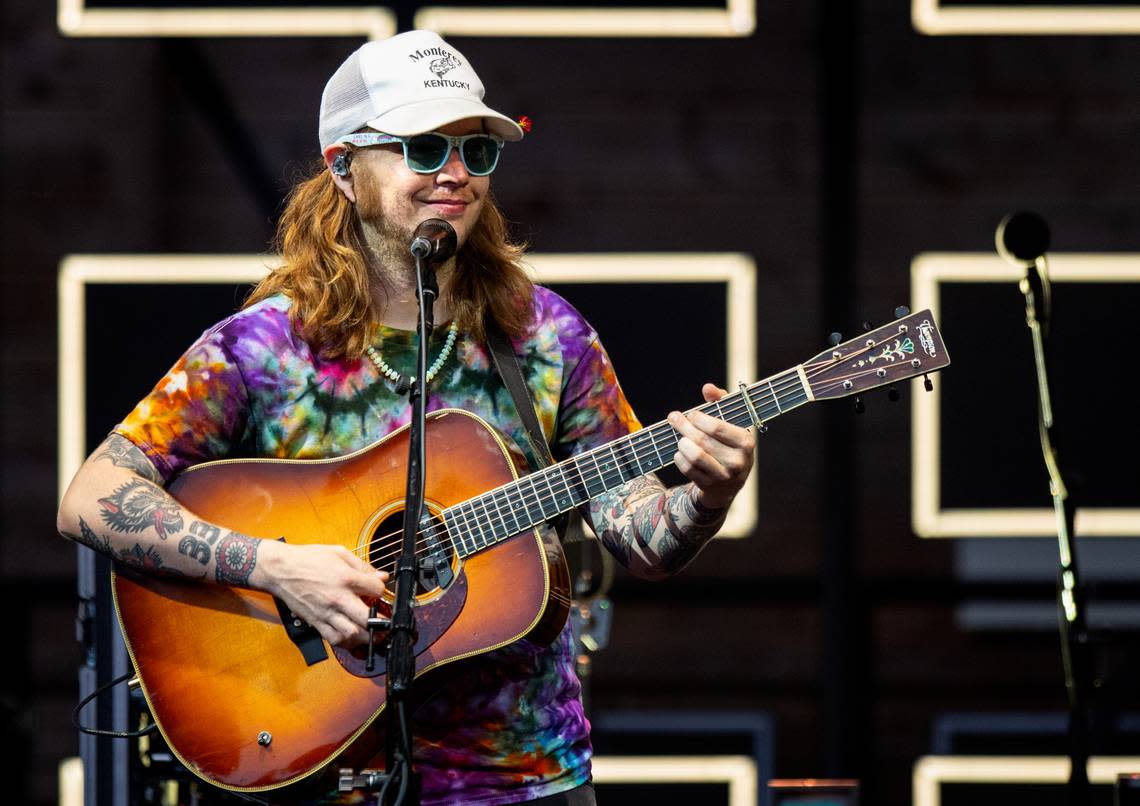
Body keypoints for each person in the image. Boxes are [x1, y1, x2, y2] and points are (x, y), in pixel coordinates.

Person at [56, 30, 755, 806]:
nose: (455, 174)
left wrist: (705, 499)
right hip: (313, 763)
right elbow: (91, 496)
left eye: (476, 152)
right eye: (423, 148)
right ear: (344, 168)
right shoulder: (263, 348)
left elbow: (638, 537)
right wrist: (276, 567)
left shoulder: (546, 336)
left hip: (520, 781)